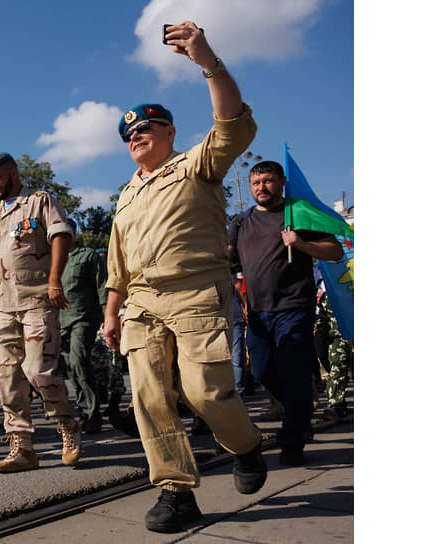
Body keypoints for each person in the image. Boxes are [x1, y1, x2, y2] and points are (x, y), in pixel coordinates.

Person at [102, 22, 268, 533]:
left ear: (170, 132)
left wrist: (207, 60)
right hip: (143, 303)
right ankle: (174, 491)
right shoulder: (126, 195)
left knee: (205, 393)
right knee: (150, 399)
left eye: (146, 128)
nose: (137, 137)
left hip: (196, 292)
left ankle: (246, 445)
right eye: (129, 134)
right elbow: (118, 261)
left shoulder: (198, 165)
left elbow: (234, 123)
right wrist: (112, 310)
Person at [0, 152, 82, 473]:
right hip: (4, 307)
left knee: (38, 370)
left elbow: (61, 235)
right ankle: (23, 447)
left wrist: (55, 280)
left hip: (38, 302)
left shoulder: (40, 202)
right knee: (7, 376)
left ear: (13, 174)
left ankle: (67, 423)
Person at [228, 160, 343, 467]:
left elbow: (335, 252)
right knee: (263, 370)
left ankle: (292, 439)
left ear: (280, 183)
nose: (260, 188)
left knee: (292, 370)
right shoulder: (240, 222)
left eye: (267, 181)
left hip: (294, 308)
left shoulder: (297, 214)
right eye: (255, 183)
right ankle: (301, 406)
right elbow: (223, 258)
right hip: (258, 312)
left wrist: (302, 243)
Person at [59, 219, 108, 434]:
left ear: (74, 232)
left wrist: (108, 316)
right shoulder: (55, 260)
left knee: (79, 360)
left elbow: (102, 285)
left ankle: (93, 412)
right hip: (61, 322)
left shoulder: (88, 255)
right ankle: (84, 410)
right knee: (71, 367)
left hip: (84, 317)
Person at [318, 291, 352, 421]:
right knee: (337, 369)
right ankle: (335, 405)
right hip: (337, 336)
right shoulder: (328, 295)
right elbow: (323, 316)